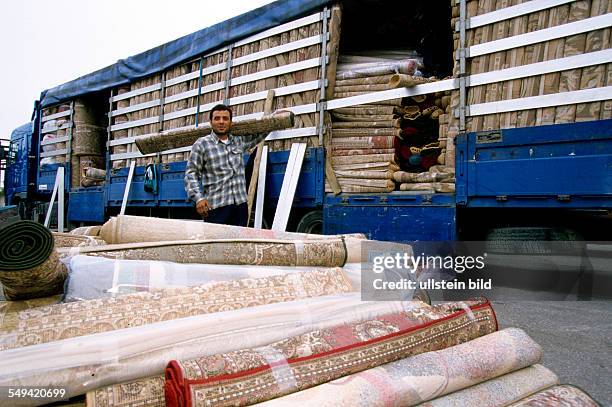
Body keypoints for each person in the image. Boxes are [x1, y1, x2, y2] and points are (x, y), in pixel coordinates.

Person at [184, 104, 267, 226]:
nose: (221, 122)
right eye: (217, 118)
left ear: (230, 122)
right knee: (217, 244)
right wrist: (199, 198)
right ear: (211, 122)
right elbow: (191, 174)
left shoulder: (238, 142)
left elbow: (260, 134)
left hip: (240, 207)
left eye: (225, 118)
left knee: (238, 244)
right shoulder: (202, 144)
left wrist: (277, 118)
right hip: (216, 208)